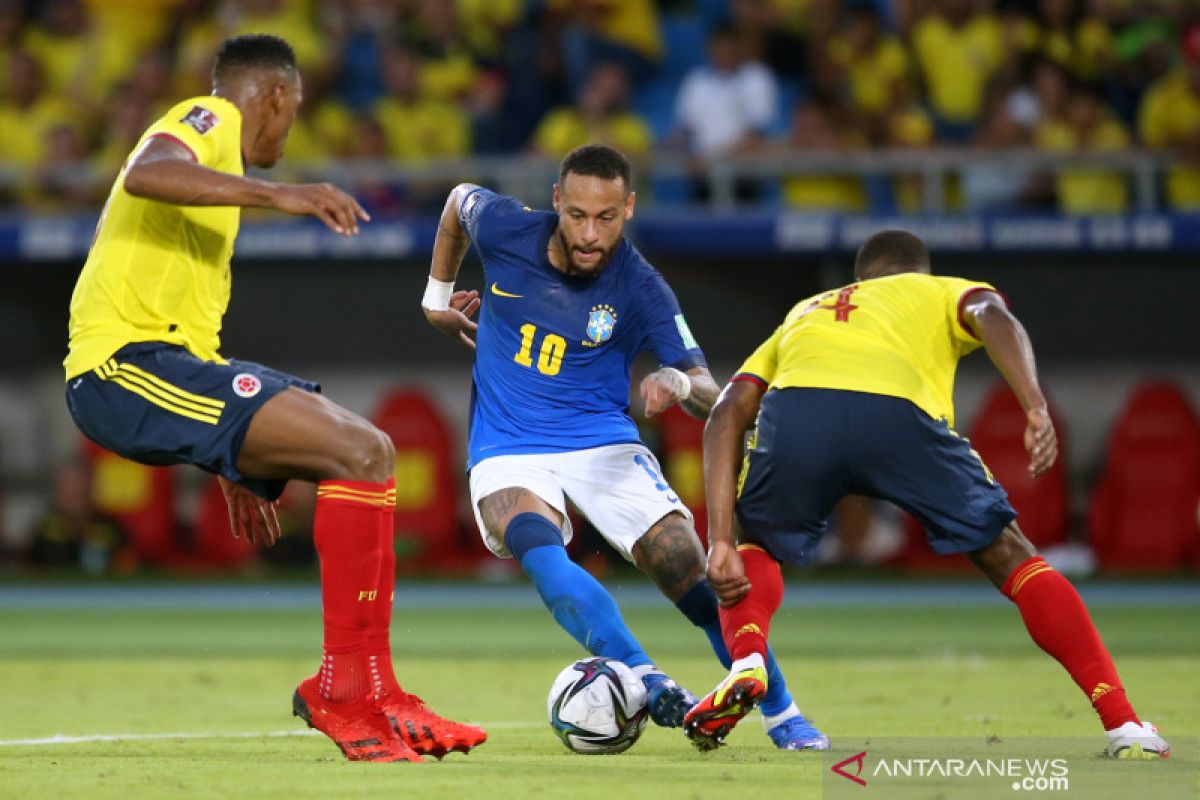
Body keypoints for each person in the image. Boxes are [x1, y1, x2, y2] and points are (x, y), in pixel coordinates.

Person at [63, 34, 484, 764]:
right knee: (358, 449)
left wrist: (232, 461)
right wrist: (280, 196)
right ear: (278, 97)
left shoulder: (211, 216)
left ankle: (373, 687)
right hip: (115, 367)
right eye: (294, 113)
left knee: (367, 454)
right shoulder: (212, 117)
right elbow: (147, 174)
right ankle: (344, 689)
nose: (290, 132)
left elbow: (189, 351)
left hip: (163, 366)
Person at [683, 230, 1170, 761]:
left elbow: (729, 407)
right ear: (920, 271)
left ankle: (748, 659)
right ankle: (1123, 723)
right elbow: (994, 316)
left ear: (859, 281)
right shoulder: (938, 290)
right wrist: (1034, 404)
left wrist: (721, 539)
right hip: (899, 419)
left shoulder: (807, 309)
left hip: (800, 414)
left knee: (754, 545)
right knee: (1012, 556)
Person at [421, 143, 826, 750]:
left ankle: (783, 712)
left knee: (686, 566)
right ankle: (649, 678)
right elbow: (456, 202)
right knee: (539, 548)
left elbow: (713, 393)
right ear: (556, 200)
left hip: (601, 441)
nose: (589, 233)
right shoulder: (506, 227)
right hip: (509, 446)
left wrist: (679, 380)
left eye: (605, 218)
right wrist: (435, 300)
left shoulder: (640, 287)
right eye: (577, 214)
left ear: (628, 209)